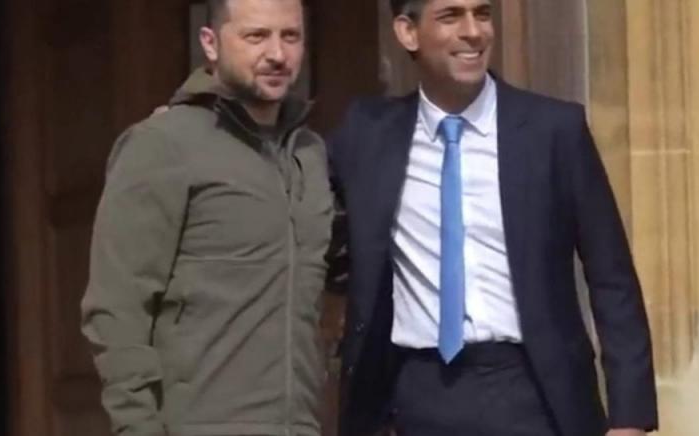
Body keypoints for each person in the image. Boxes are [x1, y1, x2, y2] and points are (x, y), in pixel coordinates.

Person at [329, 0, 658, 435]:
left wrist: (629, 419)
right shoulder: (368, 134)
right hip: (414, 395)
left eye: (482, 14)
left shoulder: (553, 130)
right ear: (408, 32)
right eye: (451, 16)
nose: (474, 32)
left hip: (533, 394)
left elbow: (612, 278)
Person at [80, 0, 334, 434]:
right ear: (210, 44)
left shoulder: (310, 153)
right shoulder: (162, 145)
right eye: (256, 36)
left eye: (290, 36)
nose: (277, 54)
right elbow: (116, 309)